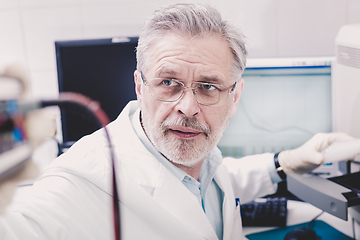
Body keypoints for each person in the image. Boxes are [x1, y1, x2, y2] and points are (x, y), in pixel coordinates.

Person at [0, 3, 354, 240]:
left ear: (235, 97)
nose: (188, 106)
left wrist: (281, 163)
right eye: (168, 82)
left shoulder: (200, 157)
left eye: (208, 87)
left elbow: (206, 185)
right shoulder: (83, 180)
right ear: (140, 86)